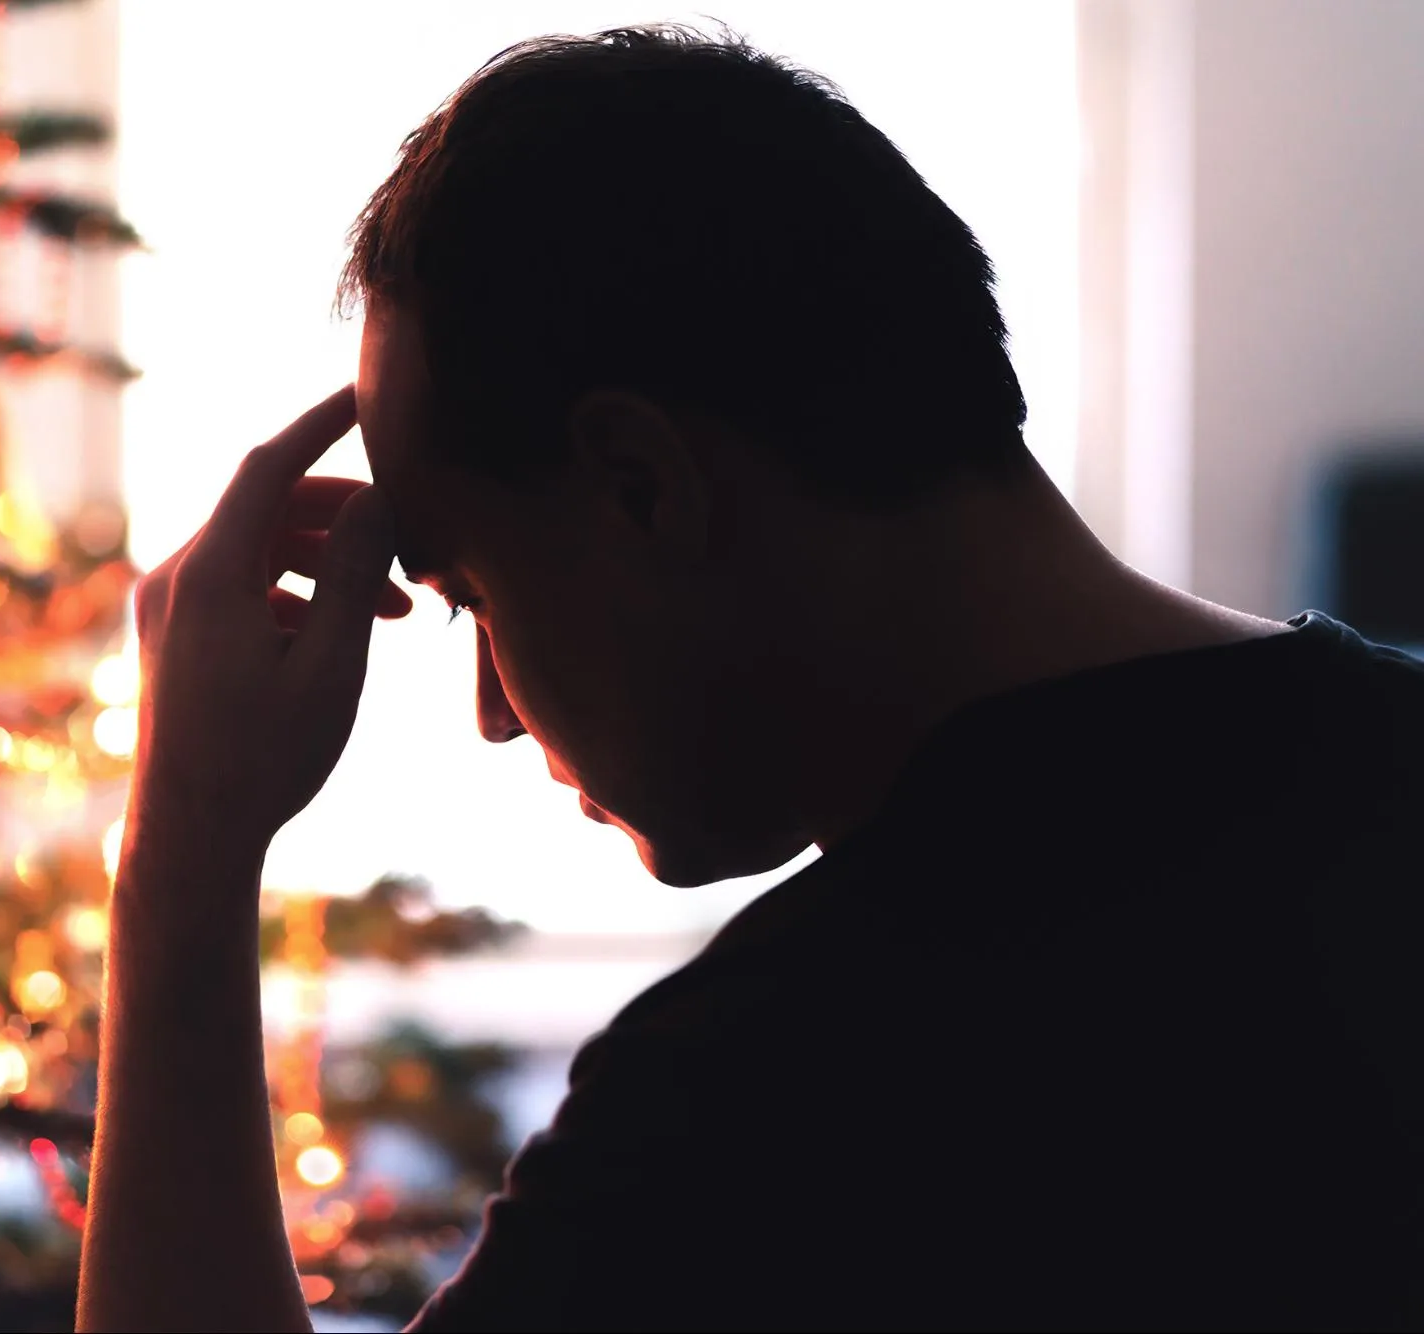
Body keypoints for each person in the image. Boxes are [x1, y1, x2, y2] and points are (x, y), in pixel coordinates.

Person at [77, 25, 1424, 1333]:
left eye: (472, 596)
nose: (491, 712)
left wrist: (182, 849)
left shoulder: (773, 1096)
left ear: (641, 484)